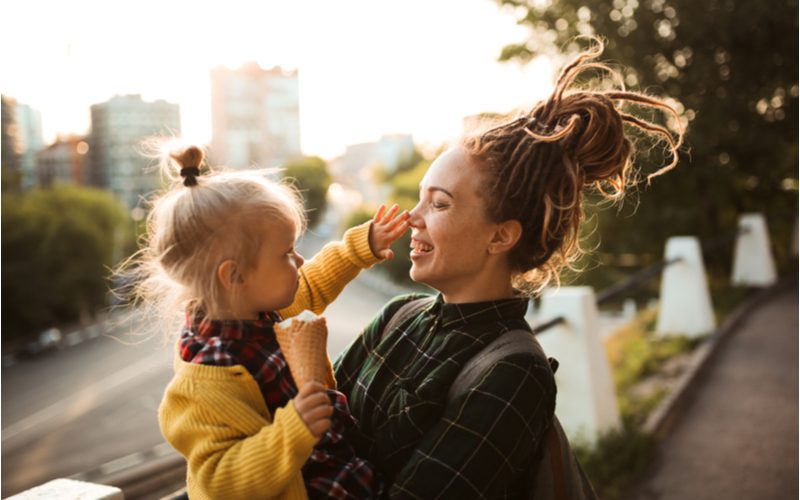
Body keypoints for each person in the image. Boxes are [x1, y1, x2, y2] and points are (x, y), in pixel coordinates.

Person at [334, 40, 684, 498]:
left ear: (501, 236)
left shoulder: (513, 374)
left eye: (439, 203)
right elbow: (303, 417)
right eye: (421, 196)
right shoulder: (397, 318)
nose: (413, 216)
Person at [123, 143, 410, 499]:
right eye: (286, 253)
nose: (301, 261)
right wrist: (295, 428)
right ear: (235, 276)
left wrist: (358, 248)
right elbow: (219, 480)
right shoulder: (205, 380)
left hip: (342, 474)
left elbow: (315, 281)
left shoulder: (262, 309)